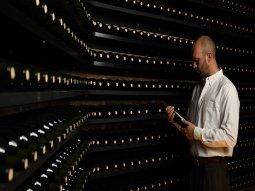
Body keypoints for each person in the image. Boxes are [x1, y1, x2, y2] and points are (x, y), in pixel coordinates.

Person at [166, 35, 240, 191]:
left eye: (196, 60)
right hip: (194, 169)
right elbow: (191, 130)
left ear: (209, 57)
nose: (194, 65)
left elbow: (230, 137)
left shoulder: (227, 89)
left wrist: (197, 132)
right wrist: (176, 122)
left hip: (214, 171)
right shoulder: (197, 89)